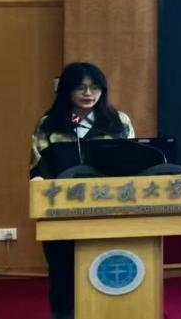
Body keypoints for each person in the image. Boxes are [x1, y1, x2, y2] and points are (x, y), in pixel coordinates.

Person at [30, 62, 134, 319]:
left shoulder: (117, 122)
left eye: (95, 87)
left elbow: (131, 165)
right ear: (66, 90)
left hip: (109, 210)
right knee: (63, 276)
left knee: (108, 271)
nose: (89, 93)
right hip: (62, 214)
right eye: (80, 87)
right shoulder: (49, 125)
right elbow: (39, 168)